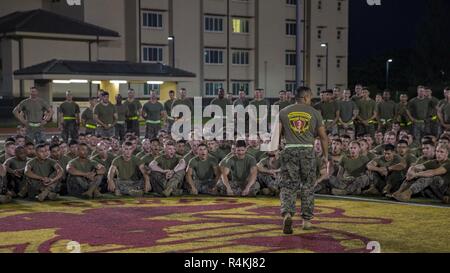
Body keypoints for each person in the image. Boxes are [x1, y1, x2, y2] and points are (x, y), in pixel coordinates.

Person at [278, 86, 328, 233]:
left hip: (290, 149)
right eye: (311, 97)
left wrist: (276, 150)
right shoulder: (314, 112)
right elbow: (323, 137)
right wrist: (325, 156)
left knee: (288, 185)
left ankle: (287, 214)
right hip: (307, 150)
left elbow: (276, 134)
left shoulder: (283, 112)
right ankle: (306, 221)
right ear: (306, 97)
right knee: (307, 185)